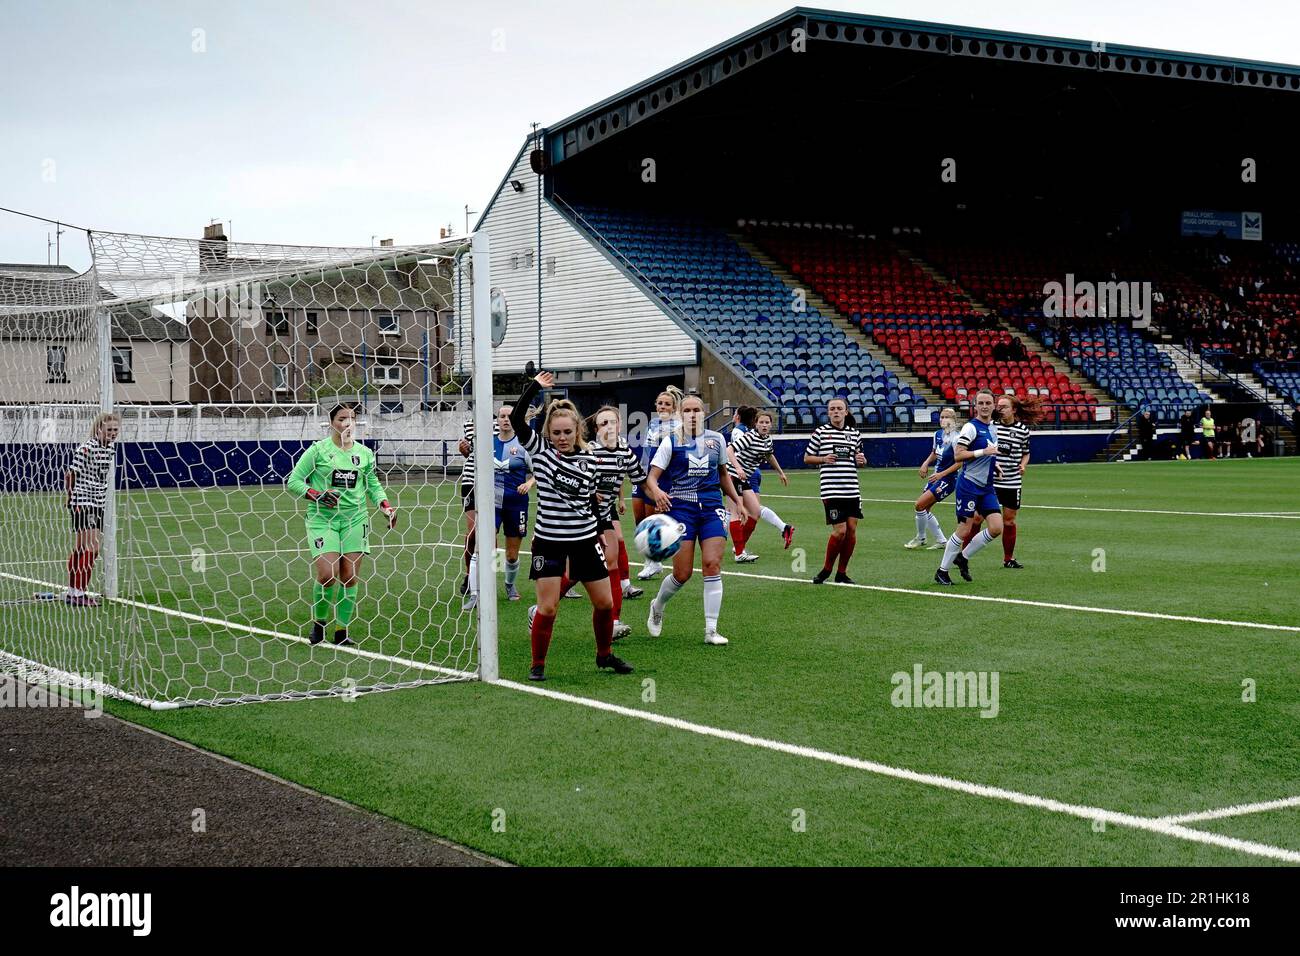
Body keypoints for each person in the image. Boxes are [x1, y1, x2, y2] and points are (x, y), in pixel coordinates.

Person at [513, 371, 632, 681]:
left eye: (567, 431)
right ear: (549, 433)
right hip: (549, 542)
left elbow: (594, 502)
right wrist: (535, 388)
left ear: (577, 429)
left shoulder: (591, 460)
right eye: (556, 433)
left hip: (584, 541)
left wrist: (601, 532)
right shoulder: (540, 452)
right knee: (548, 608)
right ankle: (537, 664)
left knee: (605, 604)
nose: (562, 438)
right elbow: (516, 419)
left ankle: (604, 656)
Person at [286, 403, 398, 647]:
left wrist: (385, 505)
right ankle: (319, 623)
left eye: (352, 418)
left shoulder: (364, 453)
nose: (348, 423)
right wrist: (316, 494)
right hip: (322, 519)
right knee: (328, 574)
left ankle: (341, 632)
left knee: (349, 577)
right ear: (332, 422)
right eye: (342, 418)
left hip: (355, 519)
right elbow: (293, 481)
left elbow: (372, 484)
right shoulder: (318, 451)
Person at [643, 394, 745, 645]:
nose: (691, 414)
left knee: (712, 564)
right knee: (683, 573)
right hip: (681, 508)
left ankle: (711, 630)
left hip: (712, 507)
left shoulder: (717, 439)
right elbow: (651, 477)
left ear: (702, 413)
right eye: (686, 410)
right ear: (680, 414)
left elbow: (723, 474)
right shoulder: (671, 442)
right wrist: (657, 492)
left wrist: (737, 500)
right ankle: (657, 605)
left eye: (696, 410)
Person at [464, 405, 534, 609]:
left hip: (516, 504)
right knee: (481, 548)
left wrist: (528, 483)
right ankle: (476, 594)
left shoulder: (524, 444)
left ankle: (509, 585)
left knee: (511, 555)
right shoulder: (486, 444)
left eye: (509, 416)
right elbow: (473, 465)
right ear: (497, 420)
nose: (505, 419)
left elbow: (537, 469)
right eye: (501, 416)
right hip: (490, 505)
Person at [588, 405, 648, 641]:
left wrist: (660, 495)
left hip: (607, 514)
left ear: (620, 424)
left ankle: (613, 621)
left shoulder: (624, 449)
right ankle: (541, 608)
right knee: (578, 572)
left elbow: (638, 477)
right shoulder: (590, 451)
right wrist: (590, 492)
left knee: (611, 562)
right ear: (596, 429)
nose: (609, 427)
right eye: (603, 423)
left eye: (612, 422)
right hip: (585, 517)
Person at [934, 389, 1002, 586]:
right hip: (969, 484)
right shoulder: (971, 428)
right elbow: (958, 455)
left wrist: (994, 463)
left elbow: (989, 452)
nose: (984, 406)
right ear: (975, 405)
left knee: (996, 528)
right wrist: (983, 452)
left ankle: (962, 557)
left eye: (988, 403)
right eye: (980, 403)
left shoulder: (992, 428)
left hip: (986, 486)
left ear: (993, 405)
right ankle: (942, 571)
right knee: (964, 529)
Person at [803, 398, 868, 584]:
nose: (836, 412)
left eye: (839, 408)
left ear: (846, 412)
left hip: (852, 490)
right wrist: (823, 458)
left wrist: (862, 461)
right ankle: (826, 569)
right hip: (831, 490)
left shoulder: (854, 434)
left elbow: (860, 461)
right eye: (832, 409)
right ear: (828, 412)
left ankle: (842, 573)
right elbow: (807, 458)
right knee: (840, 531)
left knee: (852, 531)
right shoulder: (820, 433)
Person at [63, 411, 121, 607]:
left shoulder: (110, 449)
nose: (113, 433)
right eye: (109, 430)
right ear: (98, 430)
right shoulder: (87, 448)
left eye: (115, 429)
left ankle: (72, 591)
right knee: (93, 547)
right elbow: (71, 474)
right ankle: (79, 593)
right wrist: (71, 497)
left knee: (80, 547)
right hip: (84, 502)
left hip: (97, 502)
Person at [726, 408, 794, 562]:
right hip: (732, 476)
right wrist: (737, 467)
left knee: (755, 512)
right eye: (761, 422)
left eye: (767, 422)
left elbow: (769, 455)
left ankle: (740, 548)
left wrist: (780, 472)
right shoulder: (750, 437)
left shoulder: (767, 439)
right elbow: (729, 450)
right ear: (755, 424)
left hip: (744, 479)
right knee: (736, 512)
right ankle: (739, 553)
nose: (764, 425)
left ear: (771, 425)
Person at [632, 387, 683, 582]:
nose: (662, 406)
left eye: (667, 404)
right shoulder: (652, 423)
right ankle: (651, 559)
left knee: (653, 517)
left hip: (663, 474)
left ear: (673, 407)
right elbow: (646, 451)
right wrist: (639, 473)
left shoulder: (678, 425)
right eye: (660, 403)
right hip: (645, 473)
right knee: (639, 516)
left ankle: (652, 561)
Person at [993, 393, 1042, 569]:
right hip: (991, 481)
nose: (1000, 409)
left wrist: (1023, 465)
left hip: (1012, 480)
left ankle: (1008, 559)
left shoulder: (1022, 430)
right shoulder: (992, 426)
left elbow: (1026, 452)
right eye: (999, 406)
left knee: (1009, 521)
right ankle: (962, 555)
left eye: (1004, 406)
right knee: (976, 518)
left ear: (1014, 410)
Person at [906, 407, 960, 550]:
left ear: (953, 420)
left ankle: (921, 538)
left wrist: (941, 475)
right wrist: (925, 463)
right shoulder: (938, 434)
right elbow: (935, 453)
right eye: (941, 417)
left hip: (948, 479)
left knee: (919, 505)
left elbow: (960, 462)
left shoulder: (957, 438)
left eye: (947, 417)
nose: (943, 420)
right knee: (924, 509)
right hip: (936, 477)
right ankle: (941, 541)